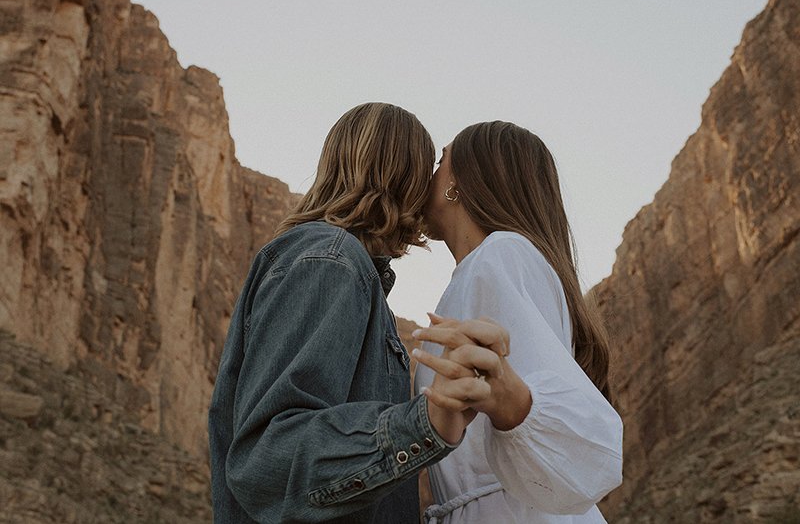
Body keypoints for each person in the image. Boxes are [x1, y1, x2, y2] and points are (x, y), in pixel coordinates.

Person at [207, 103, 498, 523]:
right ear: (404, 173)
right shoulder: (331, 261)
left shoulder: (343, 268)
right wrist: (425, 423)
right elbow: (270, 456)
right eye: (429, 165)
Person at [411, 121, 624, 523]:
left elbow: (580, 436)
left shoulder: (501, 255)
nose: (429, 174)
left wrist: (511, 401)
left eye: (441, 161)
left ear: (459, 183)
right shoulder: (490, 265)